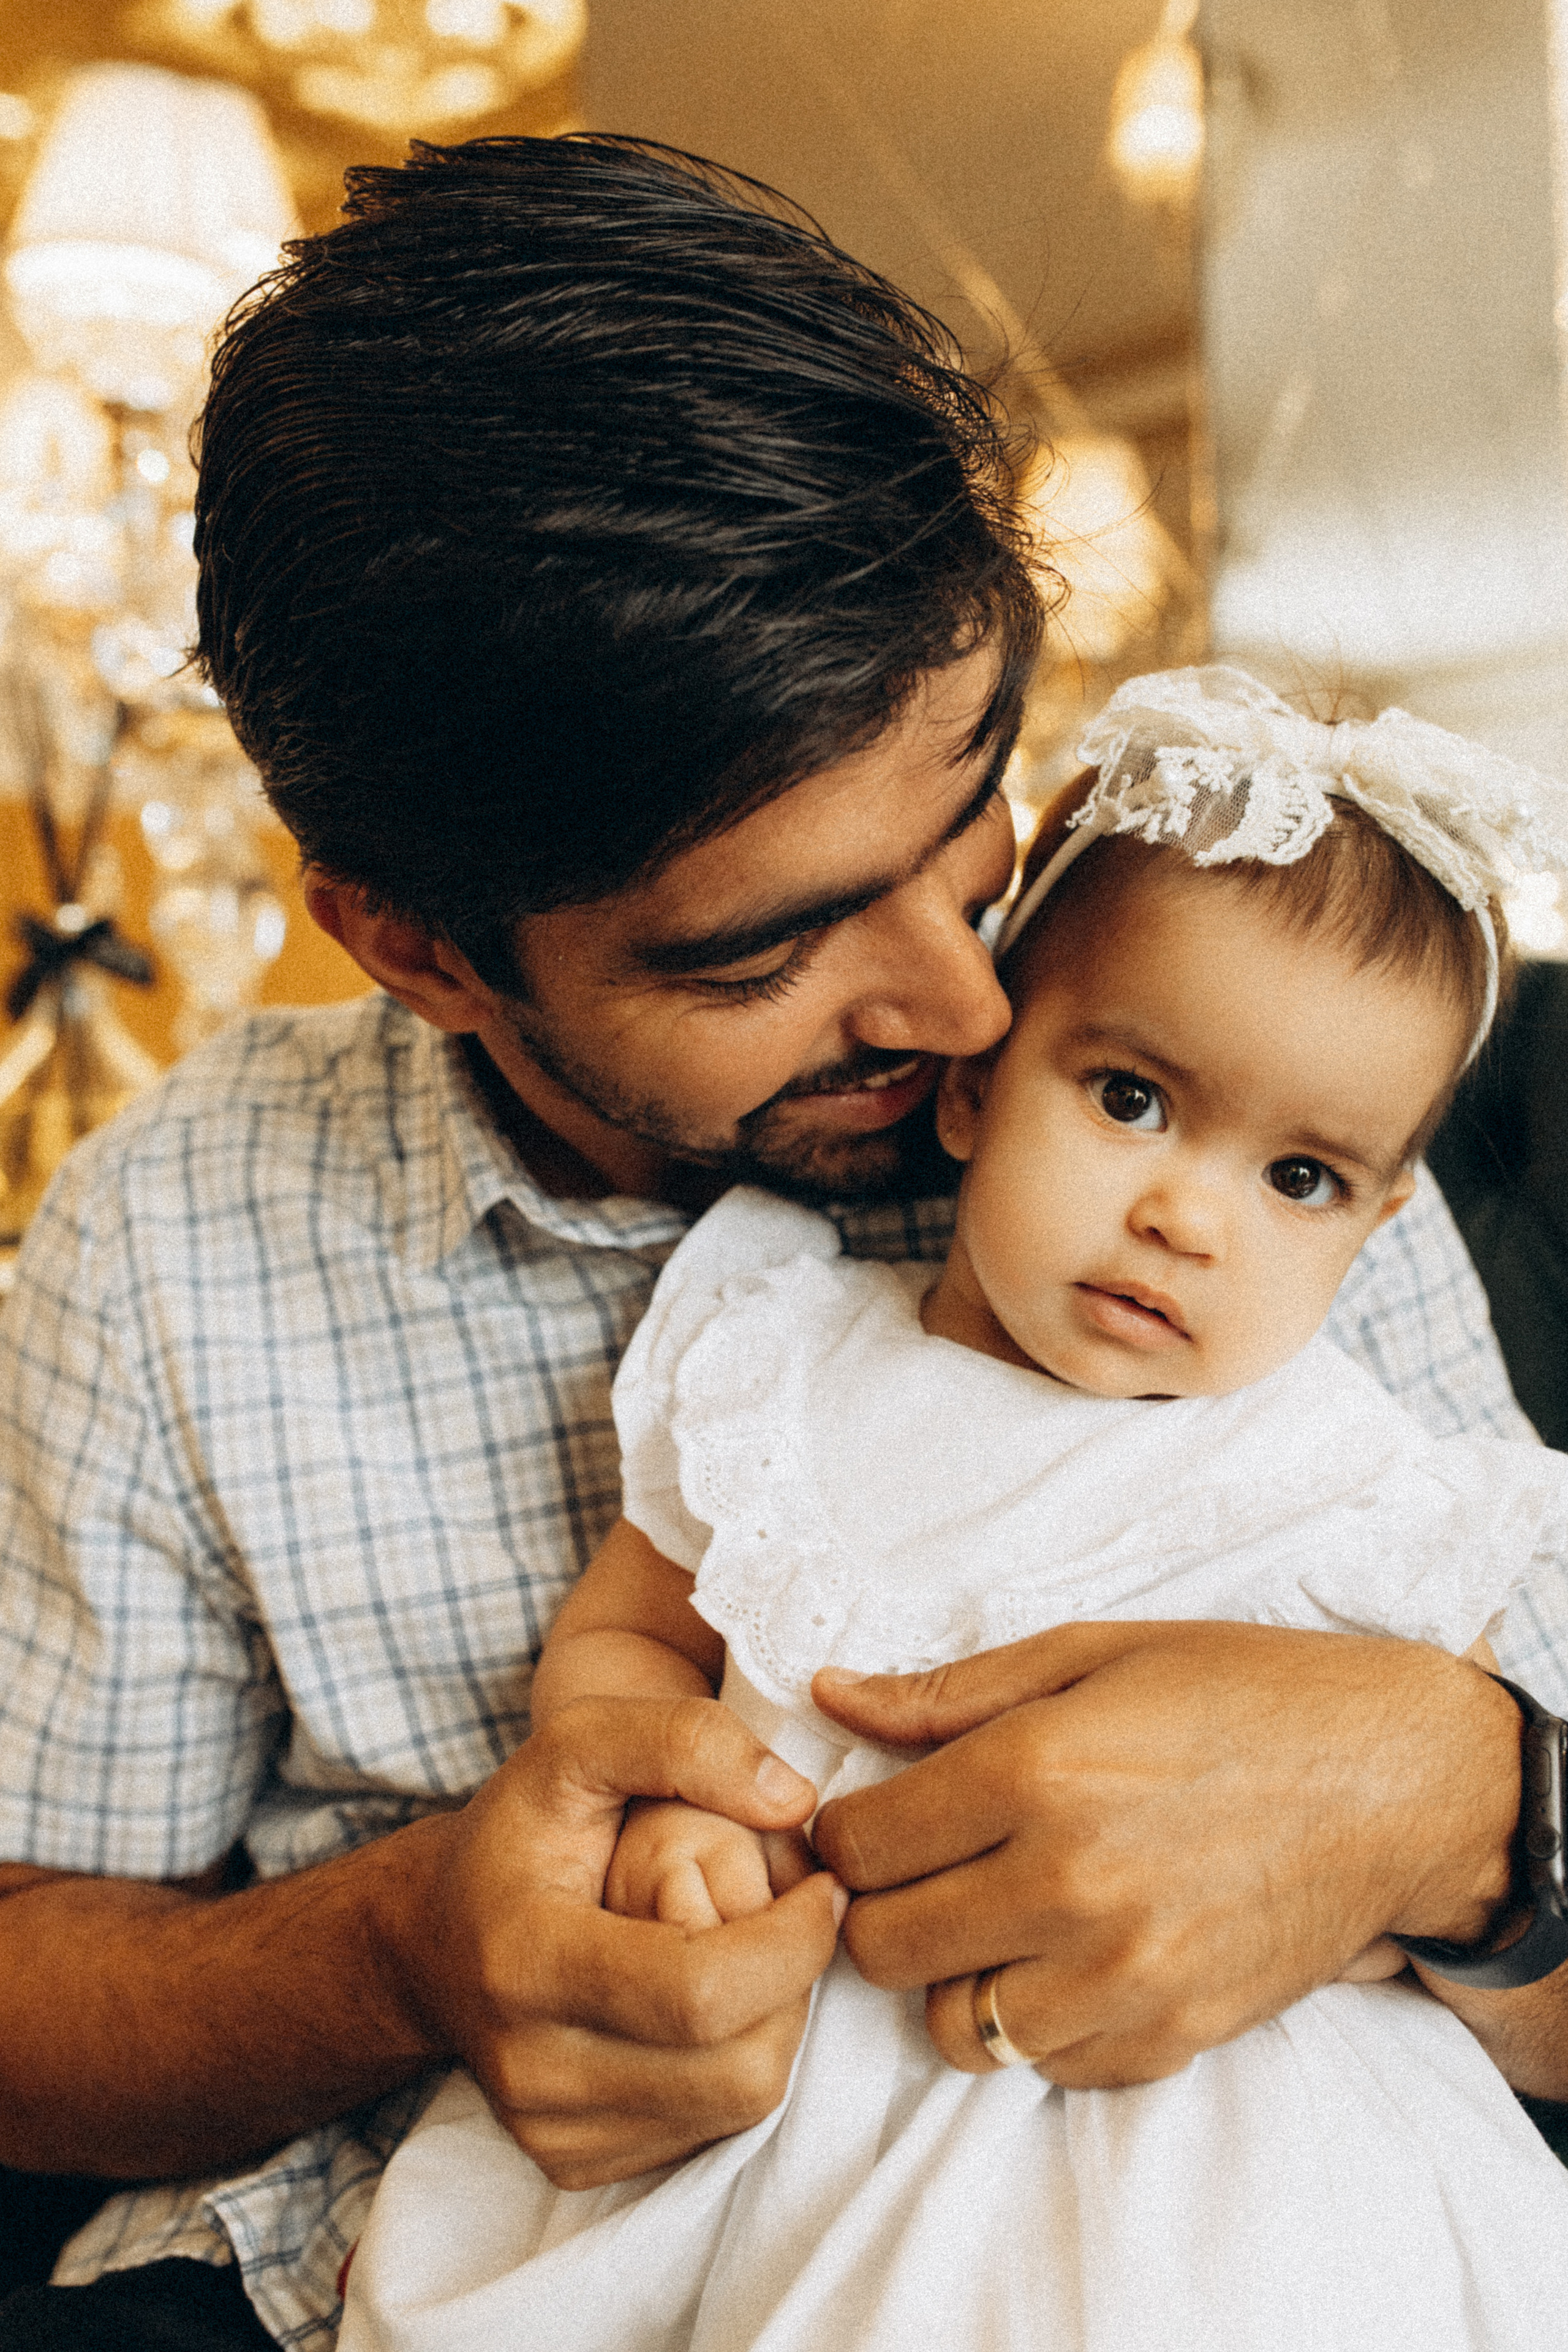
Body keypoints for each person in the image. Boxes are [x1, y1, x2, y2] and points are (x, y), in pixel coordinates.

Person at [0, 139, 1562, 2352]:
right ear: (422, 948)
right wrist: (403, 1949)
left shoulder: (1221, 1105)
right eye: (771, 949)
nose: (966, 1004)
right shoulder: (171, 1241)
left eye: (972, 812)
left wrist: (1465, 1814)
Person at [337, 666, 1568, 2351]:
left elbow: (1456, 1784)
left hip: (1225, 2138)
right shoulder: (787, 1365)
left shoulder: (1367, 1480)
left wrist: (1392, 1884)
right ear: (976, 1084)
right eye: (1130, 1100)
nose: (1189, 1218)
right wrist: (669, 1807)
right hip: (798, 2088)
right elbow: (631, 1636)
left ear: (1377, 1222)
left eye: (1300, 1179)